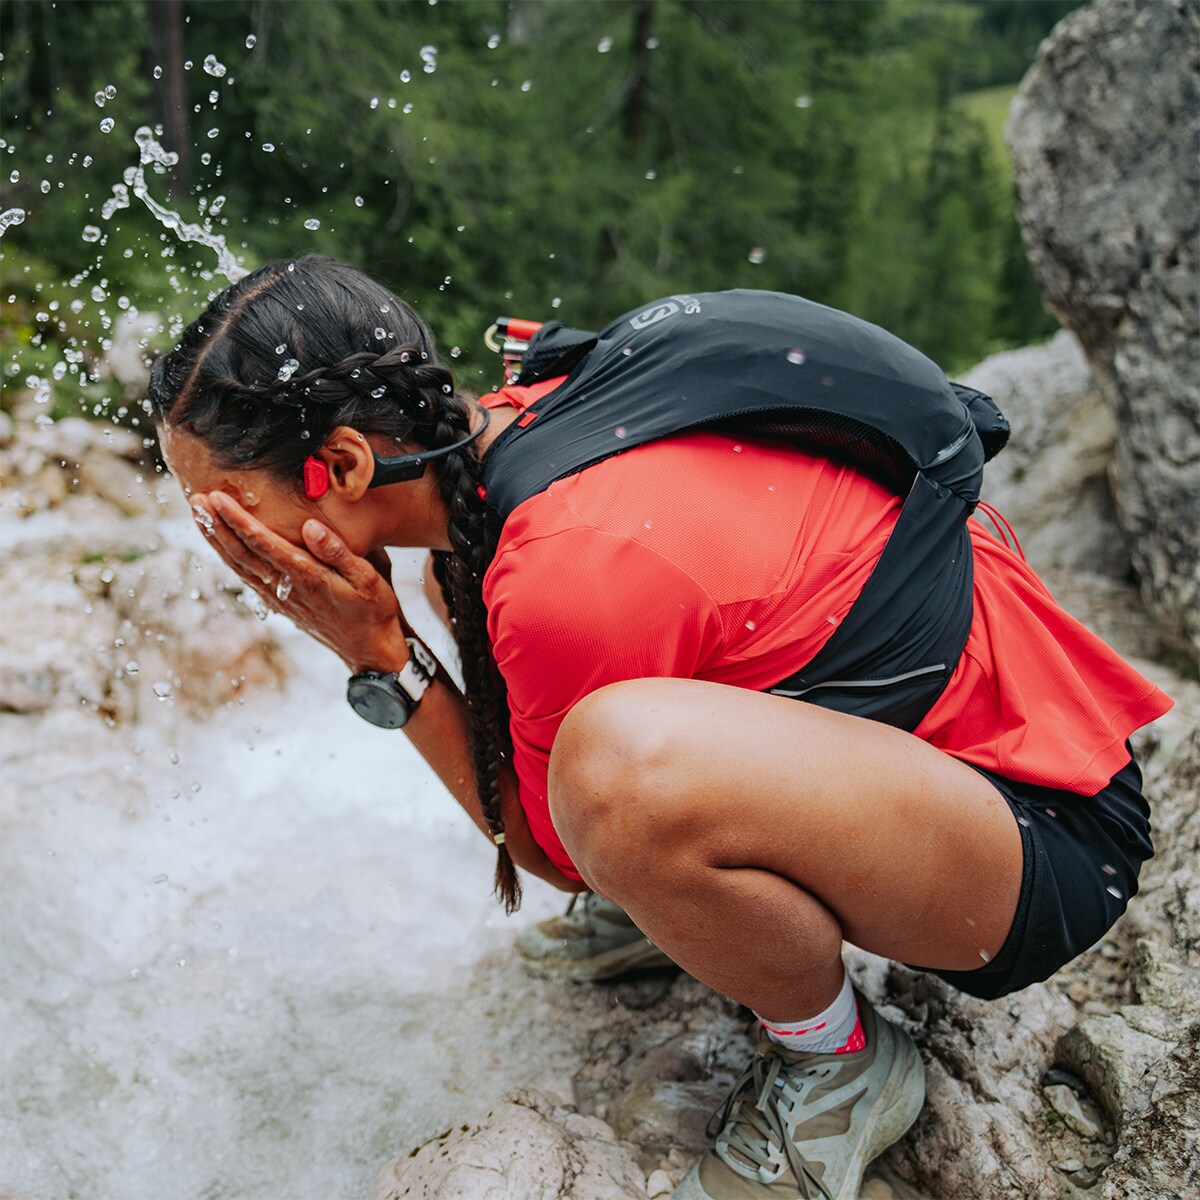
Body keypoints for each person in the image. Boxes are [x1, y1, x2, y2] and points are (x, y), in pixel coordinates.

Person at [149, 256, 1171, 1200]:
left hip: (1040, 840)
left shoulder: (559, 574)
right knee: (574, 727)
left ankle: (838, 1063)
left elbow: (560, 851)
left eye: (222, 510)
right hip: (959, 774)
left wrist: (381, 656)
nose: (217, 544)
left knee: (616, 785)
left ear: (341, 464)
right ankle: (692, 906)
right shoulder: (525, 423)